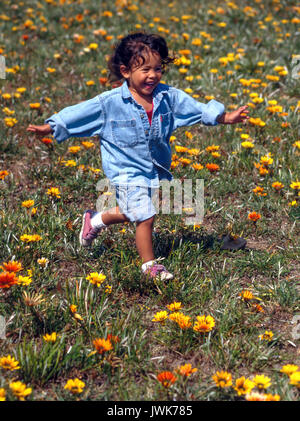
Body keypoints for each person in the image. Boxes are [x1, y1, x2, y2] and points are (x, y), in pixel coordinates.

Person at [27, 32, 249, 281]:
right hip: (124, 170)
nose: (152, 75)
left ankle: (95, 220)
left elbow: (195, 109)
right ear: (125, 71)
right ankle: (150, 267)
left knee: (133, 210)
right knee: (146, 214)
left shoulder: (167, 97)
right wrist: (52, 126)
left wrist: (225, 117)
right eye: (144, 69)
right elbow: (79, 114)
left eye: (158, 69)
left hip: (153, 168)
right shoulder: (109, 103)